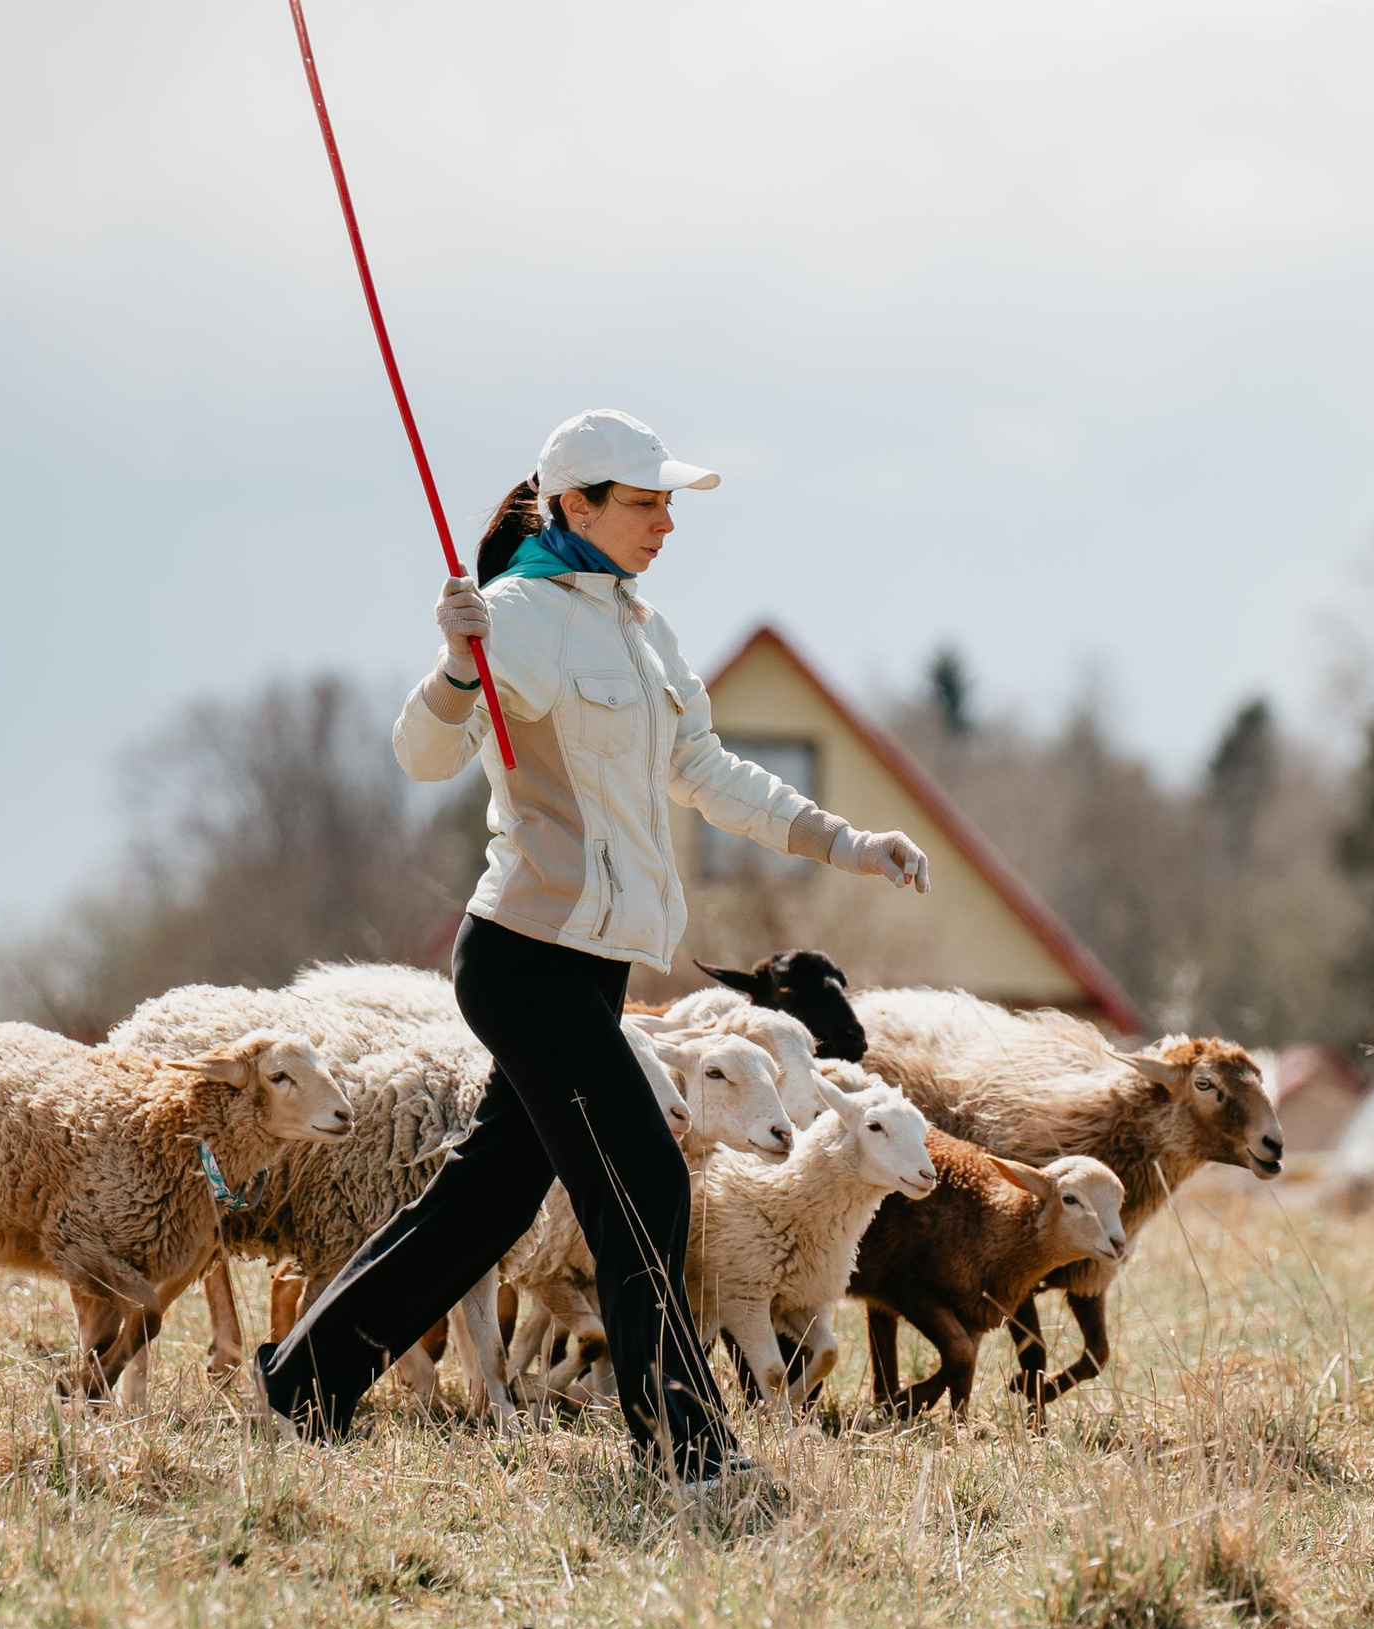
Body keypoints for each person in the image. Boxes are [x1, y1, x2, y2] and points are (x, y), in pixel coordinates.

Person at [255, 408, 929, 1490]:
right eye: (645, 501)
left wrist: (840, 840)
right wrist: (455, 665)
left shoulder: (644, 630)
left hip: (587, 966)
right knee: (648, 1181)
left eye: (669, 502)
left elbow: (708, 771)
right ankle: (684, 1448)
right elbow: (419, 753)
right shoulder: (509, 617)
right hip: (524, 961)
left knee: (480, 1203)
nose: (667, 521)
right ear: (575, 505)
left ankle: (302, 1384)